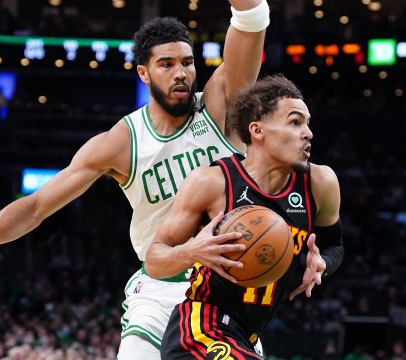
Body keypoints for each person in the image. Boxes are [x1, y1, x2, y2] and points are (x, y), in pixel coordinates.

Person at [0, 1, 270, 358]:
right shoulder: (121, 142)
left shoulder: (221, 105)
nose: (181, 73)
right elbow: (36, 206)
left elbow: (252, 18)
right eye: (166, 64)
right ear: (143, 72)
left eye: (187, 63)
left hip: (225, 291)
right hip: (160, 289)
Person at [144, 74, 345, 358]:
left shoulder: (320, 183)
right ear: (257, 130)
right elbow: (154, 260)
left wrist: (323, 261)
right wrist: (191, 252)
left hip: (245, 337)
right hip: (200, 328)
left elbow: (334, 245)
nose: (308, 133)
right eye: (295, 122)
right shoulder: (212, 182)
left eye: (308, 123)